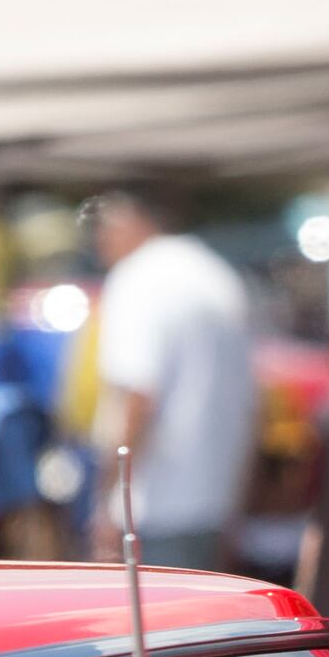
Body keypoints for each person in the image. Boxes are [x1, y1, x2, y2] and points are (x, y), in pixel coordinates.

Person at [85, 183, 254, 571]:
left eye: (103, 223)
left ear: (133, 219)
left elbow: (136, 395)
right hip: (215, 498)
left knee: (149, 627)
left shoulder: (139, 278)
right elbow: (248, 399)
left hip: (155, 505)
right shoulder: (216, 274)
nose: (99, 239)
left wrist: (108, 499)